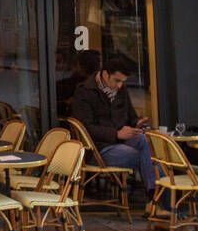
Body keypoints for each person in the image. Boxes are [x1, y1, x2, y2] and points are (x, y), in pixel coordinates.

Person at [70, 54, 166, 217]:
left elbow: (130, 116)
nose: (120, 85)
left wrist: (137, 123)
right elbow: (84, 128)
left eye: (123, 81)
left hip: (122, 143)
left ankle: (155, 202)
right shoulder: (85, 92)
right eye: (117, 80)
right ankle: (160, 205)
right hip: (98, 149)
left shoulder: (121, 90)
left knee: (146, 145)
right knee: (152, 160)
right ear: (105, 74)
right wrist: (116, 134)